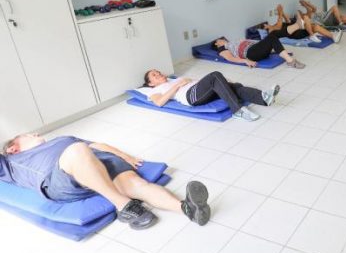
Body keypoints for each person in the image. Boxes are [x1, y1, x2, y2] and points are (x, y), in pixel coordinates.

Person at [2, 133, 211, 230]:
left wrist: (125, 156)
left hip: (98, 163)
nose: (36, 133)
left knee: (139, 186)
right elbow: (80, 150)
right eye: (29, 135)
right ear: (13, 148)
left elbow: (98, 144)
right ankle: (125, 206)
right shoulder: (10, 162)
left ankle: (187, 208)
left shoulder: (62, 138)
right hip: (59, 179)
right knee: (77, 150)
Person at [141, 69, 281, 122]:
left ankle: (263, 97)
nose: (158, 74)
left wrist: (223, 84)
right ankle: (237, 111)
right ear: (151, 83)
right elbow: (159, 102)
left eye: (158, 72)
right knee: (215, 75)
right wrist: (177, 85)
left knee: (234, 87)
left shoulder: (173, 79)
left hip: (199, 90)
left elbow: (195, 82)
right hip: (191, 96)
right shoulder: (154, 90)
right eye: (154, 75)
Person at [212, 34, 305, 69]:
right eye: (219, 39)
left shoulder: (231, 42)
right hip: (250, 53)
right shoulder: (222, 48)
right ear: (217, 44)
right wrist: (246, 61)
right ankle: (291, 61)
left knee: (271, 38)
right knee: (272, 37)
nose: (222, 38)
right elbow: (230, 58)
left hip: (256, 50)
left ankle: (288, 58)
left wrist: (277, 50)